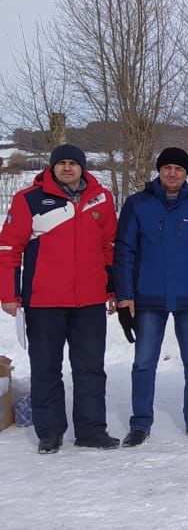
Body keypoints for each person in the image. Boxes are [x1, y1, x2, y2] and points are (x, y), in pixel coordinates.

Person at [0, 144, 119, 454]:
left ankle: (92, 430)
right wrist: (8, 294)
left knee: (91, 368)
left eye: (73, 163)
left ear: (83, 167)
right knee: (46, 369)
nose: (67, 168)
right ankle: (50, 433)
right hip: (44, 302)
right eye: (61, 163)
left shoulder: (102, 198)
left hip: (90, 301)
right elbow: (9, 250)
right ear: (52, 167)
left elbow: (109, 247)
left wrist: (112, 290)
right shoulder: (28, 199)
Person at [113, 147, 188, 446]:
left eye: (178, 168)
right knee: (143, 363)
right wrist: (124, 296)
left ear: (187, 173)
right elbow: (124, 252)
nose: (172, 173)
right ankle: (140, 423)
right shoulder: (138, 204)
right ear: (159, 171)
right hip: (148, 298)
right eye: (167, 168)